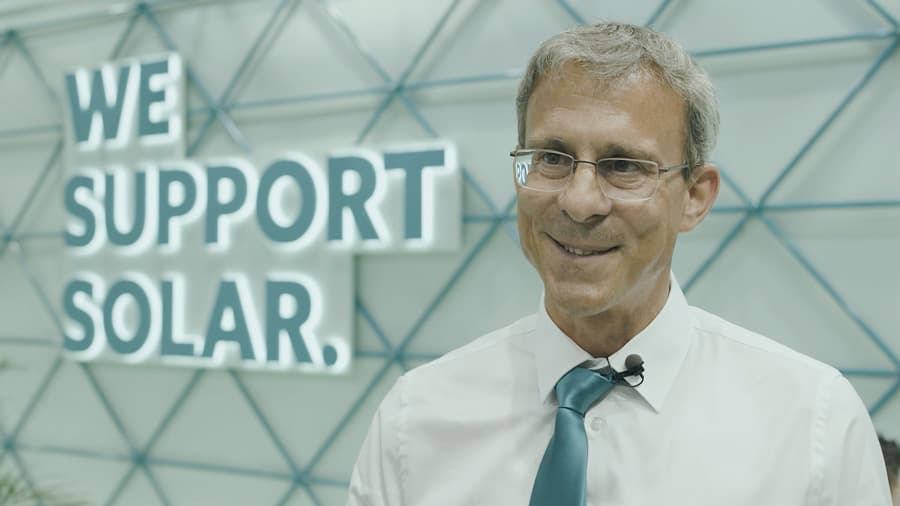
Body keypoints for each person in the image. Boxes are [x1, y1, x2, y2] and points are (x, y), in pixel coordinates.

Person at [347, 21, 891, 505]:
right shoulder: (415, 422)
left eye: (623, 165)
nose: (580, 202)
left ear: (696, 196)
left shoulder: (812, 426)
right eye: (553, 158)